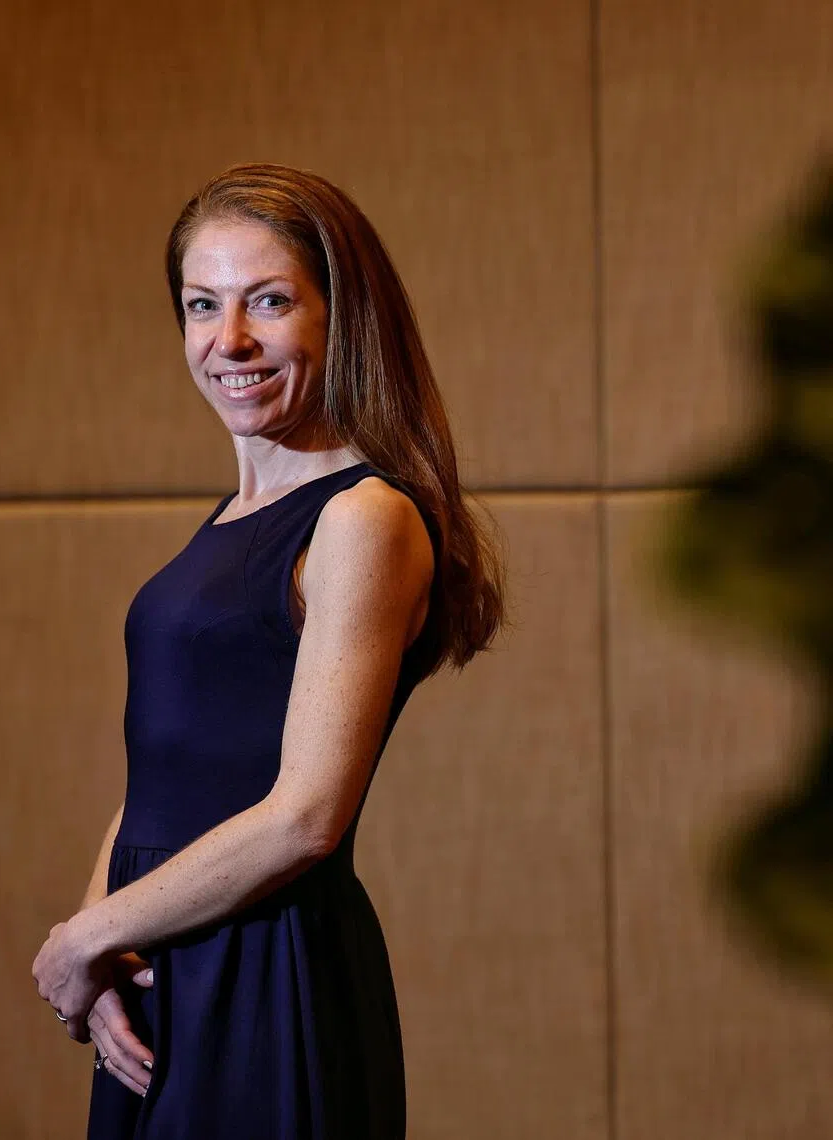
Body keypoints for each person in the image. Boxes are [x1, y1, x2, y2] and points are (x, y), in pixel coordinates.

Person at [32, 163, 505, 1139]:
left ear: (342, 319)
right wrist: (104, 944)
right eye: (202, 305)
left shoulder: (362, 518)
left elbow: (305, 819)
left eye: (270, 302)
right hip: (161, 961)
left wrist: (92, 935)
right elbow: (169, 769)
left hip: (267, 976)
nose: (229, 340)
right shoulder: (233, 518)